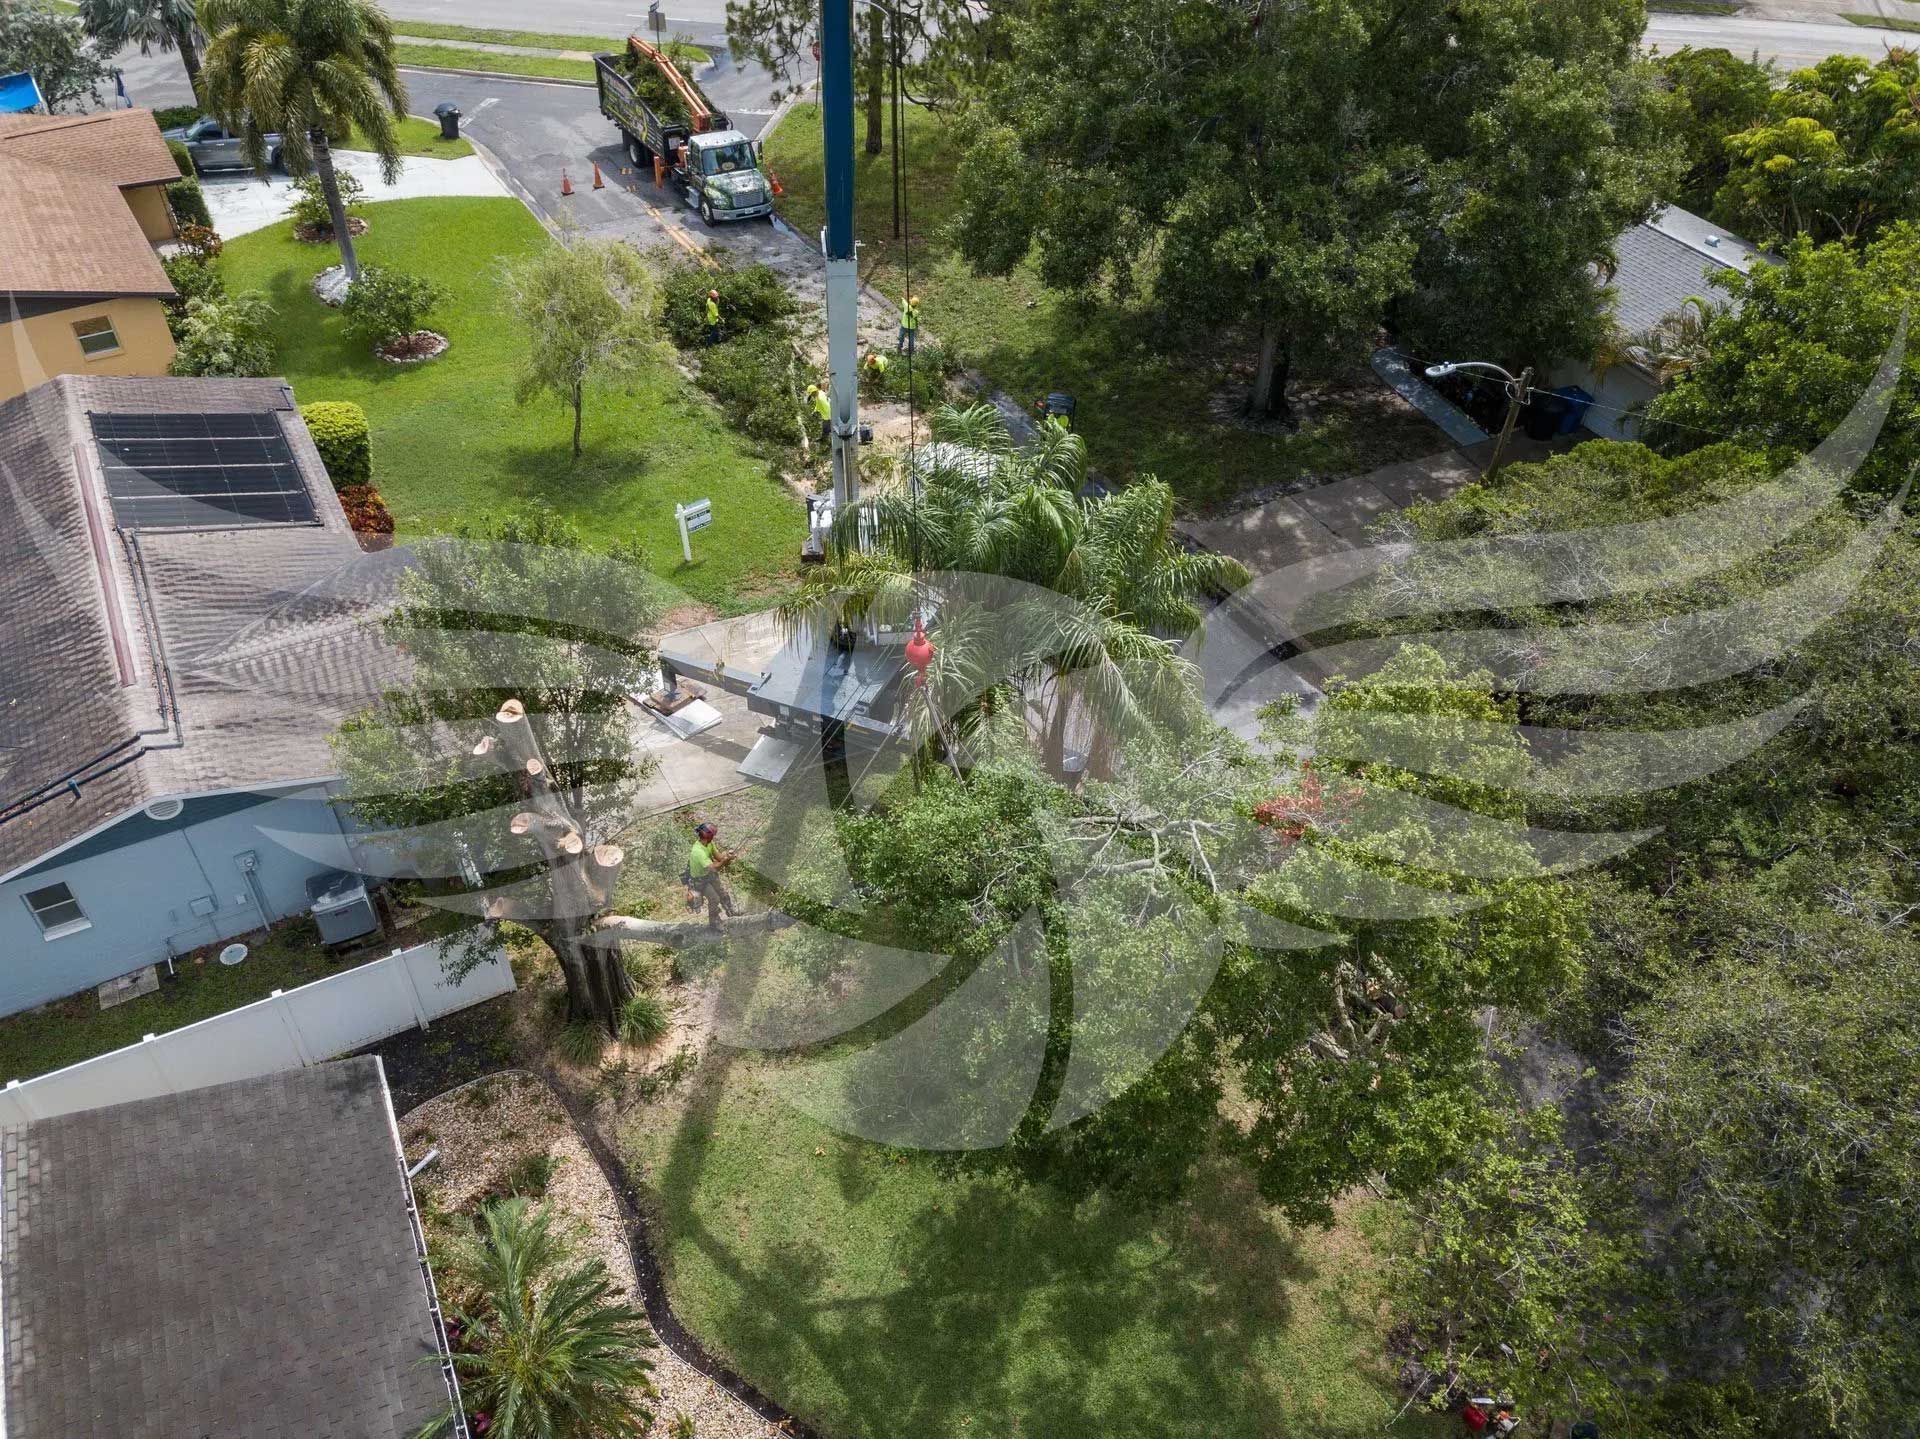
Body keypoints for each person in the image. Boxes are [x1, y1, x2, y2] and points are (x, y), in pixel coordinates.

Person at [686, 821, 740, 930]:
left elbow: (719, 858)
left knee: (722, 893)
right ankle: (714, 922)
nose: (714, 837)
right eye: (713, 835)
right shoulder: (698, 852)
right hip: (700, 881)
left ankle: (731, 911)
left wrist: (726, 857)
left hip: (709, 875)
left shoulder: (709, 843)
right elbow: (715, 867)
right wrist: (725, 860)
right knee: (714, 898)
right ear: (708, 836)